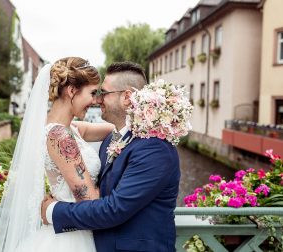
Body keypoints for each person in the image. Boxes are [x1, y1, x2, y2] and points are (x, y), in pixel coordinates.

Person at [42, 62, 181, 252]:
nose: (98, 100)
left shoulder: (155, 149)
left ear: (127, 97)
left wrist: (53, 210)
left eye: (104, 93)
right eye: (94, 93)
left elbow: (114, 209)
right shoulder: (112, 139)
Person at [0, 57, 114, 251]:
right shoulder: (60, 136)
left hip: (69, 227)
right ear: (72, 91)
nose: (95, 100)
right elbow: (90, 203)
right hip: (72, 238)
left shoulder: (71, 128)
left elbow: (115, 129)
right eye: (92, 93)